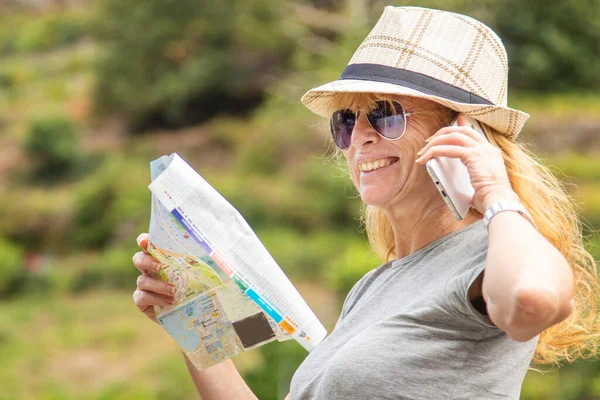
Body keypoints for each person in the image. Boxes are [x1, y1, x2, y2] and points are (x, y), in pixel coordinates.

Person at [131, 6, 599, 399]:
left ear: (463, 134)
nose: (358, 138)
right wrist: (191, 321)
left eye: (384, 114)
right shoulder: (372, 288)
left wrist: (497, 194)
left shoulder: (492, 255)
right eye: (345, 121)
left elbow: (533, 301)